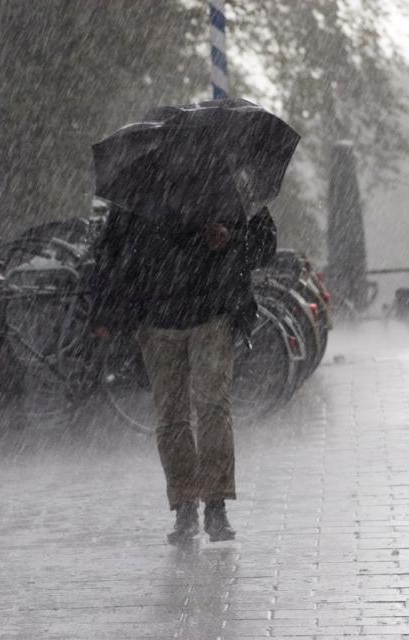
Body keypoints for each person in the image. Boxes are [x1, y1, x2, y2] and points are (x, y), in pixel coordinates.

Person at [90, 195, 277, 544]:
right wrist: (105, 310)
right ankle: (186, 506)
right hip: (158, 320)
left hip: (212, 313)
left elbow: (265, 243)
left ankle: (215, 505)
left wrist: (231, 239)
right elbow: (112, 251)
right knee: (174, 415)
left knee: (211, 408)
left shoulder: (225, 183)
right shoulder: (143, 187)